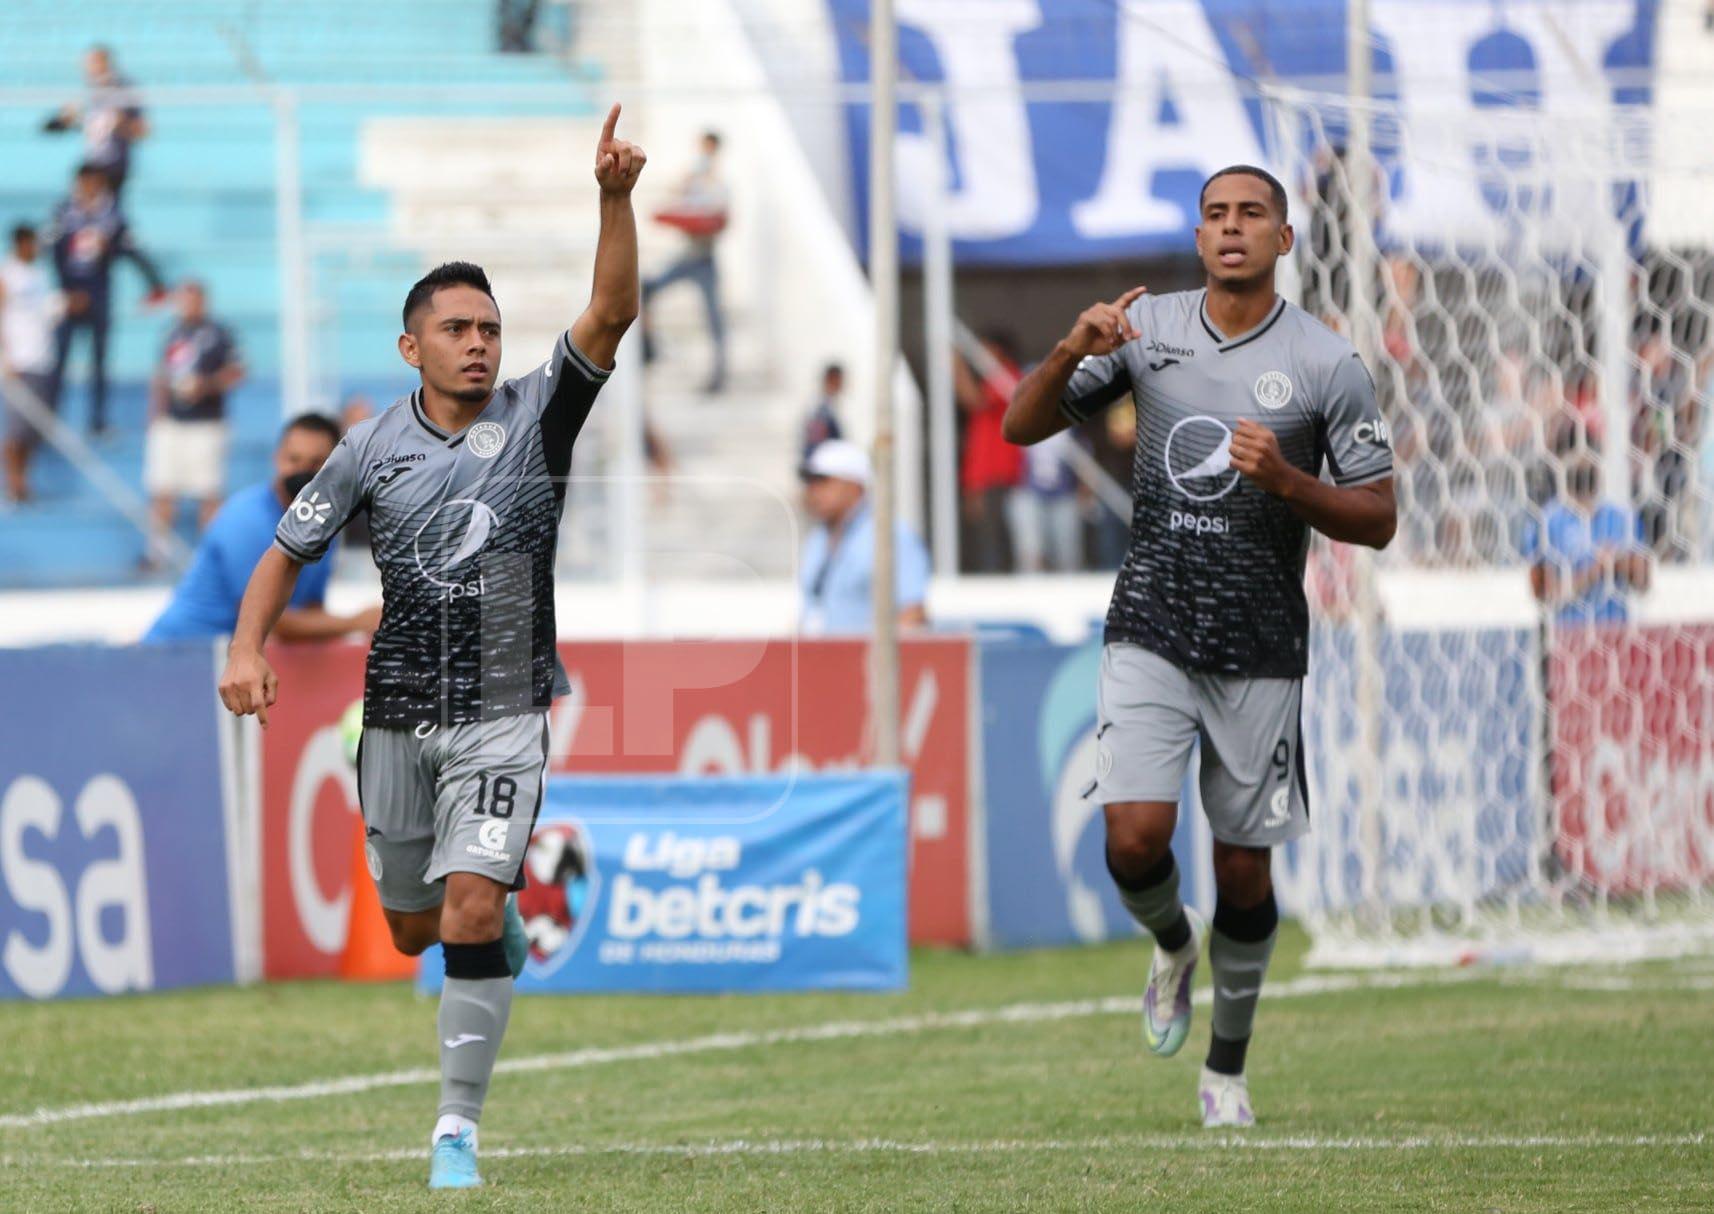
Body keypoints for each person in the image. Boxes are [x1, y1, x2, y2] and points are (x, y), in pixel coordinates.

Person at [217, 105, 645, 1191]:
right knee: (415, 929)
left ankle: (456, 1128)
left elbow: (611, 310)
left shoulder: (538, 417)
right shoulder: (369, 450)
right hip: (398, 715)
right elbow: (284, 551)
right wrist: (246, 647)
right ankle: (486, 924)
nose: (479, 342)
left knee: (469, 907)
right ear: (413, 347)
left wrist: (613, 198)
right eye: (457, 328)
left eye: (489, 327)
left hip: (504, 707)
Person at [1004, 165, 1397, 1128]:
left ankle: (1226, 1072)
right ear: (1198, 236)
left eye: (1251, 214)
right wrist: (1071, 349)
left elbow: (1380, 517)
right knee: (1134, 838)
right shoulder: (1146, 331)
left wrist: (1290, 482)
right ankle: (1174, 944)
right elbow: (1020, 426)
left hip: (1260, 642)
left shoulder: (1326, 363)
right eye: (1215, 214)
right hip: (1152, 620)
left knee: (1245, 872)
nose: (1231, 228)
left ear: (1283, 239)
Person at [143, 414, 379, 643]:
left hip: (226, 654)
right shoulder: (246, 518)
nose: (302, 470)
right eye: (294, 460)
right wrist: (357, 622)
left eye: (316, 463)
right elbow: (264, 620)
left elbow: (311, 612)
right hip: (181, 649)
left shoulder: (324, 521)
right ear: (277, 459)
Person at [48, 162, 167, 435]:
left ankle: (97, 420)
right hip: (70, 295)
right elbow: (54, 251)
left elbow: (131, 250)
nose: (89, 189)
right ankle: (50, 419)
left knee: (99, 361)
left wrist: (152, 282)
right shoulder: (64, 211)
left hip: (99, 294)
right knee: (59, 358)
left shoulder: (112, 215)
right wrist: (66, 291)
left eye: (94, 183)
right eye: (85, 183)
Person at [144, 282, 244, 554]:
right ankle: (157, 552)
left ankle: (212, 553)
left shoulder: (219, 333)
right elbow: (161, 376)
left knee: (208, 492)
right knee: (162, 489)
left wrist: (206, 385)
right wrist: (155, 415)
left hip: (206, 423)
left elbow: (237, 372)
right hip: (172, 422)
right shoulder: (171, 333)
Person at [798, 438, 930, 634]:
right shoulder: (817, 539)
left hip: (867, 653)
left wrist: (874, 652)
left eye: (823, 482)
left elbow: (912, 615)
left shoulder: (890, 536)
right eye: (810, 483)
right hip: (821, 651)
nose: (813, 491)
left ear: (854, 486)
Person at [640, 131, 729, 393]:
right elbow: (675, 201)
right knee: (645, 288)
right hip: (688, 255)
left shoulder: (720, 186)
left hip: (705, 259)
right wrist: (688, 181)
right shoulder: (693, 180)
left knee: (714, 319)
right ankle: (649, 347)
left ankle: (719, 375)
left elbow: (720, 219)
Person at [1523, 455, 1650, 624]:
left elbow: (1644, 584)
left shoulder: (1622, 517)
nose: (1583, 459)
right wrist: (1595, 570)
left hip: (1615, 629)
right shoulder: (1548, 521)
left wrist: (1619, 562)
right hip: (1569, 631)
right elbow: (1543, 595)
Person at [1, 224, 63, 503]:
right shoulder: (7, 274)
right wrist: (5, 357)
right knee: (17, 428)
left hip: (43, 359)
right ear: (20, 244)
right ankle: (13, 483)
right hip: (20, 361)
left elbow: (43, 312)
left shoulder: (40, 274)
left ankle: (23, 478)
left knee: (35, 429)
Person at [954, 330, 1026, 571]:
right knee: (984, 538)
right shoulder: (992, 381)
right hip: (984, 477)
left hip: (998, 476)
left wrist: (956, 366)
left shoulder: (1008, 378)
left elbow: (974, 400)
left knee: (994, 541)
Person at [42, 45, 148, 198]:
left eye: (93, 62)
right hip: (93, 160)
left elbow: (142, 130)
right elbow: (56, 125)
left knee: (107, 205)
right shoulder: (88, 93)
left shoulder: (123, 91)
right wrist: (69, 119)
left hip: (114, 163)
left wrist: (119, 123)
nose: (89, 68)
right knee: (82, 202)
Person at [799, 361, 846, 462]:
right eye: (839, 380)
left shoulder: (831, 405)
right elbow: (814, 443)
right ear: (831, 379)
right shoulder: (821, 409)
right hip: (822, 464)